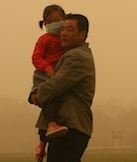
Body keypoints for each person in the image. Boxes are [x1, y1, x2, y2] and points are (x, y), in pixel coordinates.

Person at [30, 13, 95, 162]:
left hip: (71, 126)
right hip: (64, 127)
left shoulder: (77, 57)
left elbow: (55, 85)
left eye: (70, 29)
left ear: (83, 34)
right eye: (63, 29)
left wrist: (37, 95)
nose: (63, 33)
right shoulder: (69, 55)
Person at [28, 4, 67, 162]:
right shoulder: (44, 40)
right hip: (44, 75)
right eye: (50, 21)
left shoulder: (66, 39)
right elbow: (36, 58)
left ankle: (42, 144)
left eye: (57, 20)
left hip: (56, 74)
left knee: (49, 107)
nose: (54, 24)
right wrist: (48, 69)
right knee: (52, 99)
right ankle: (51, 124)